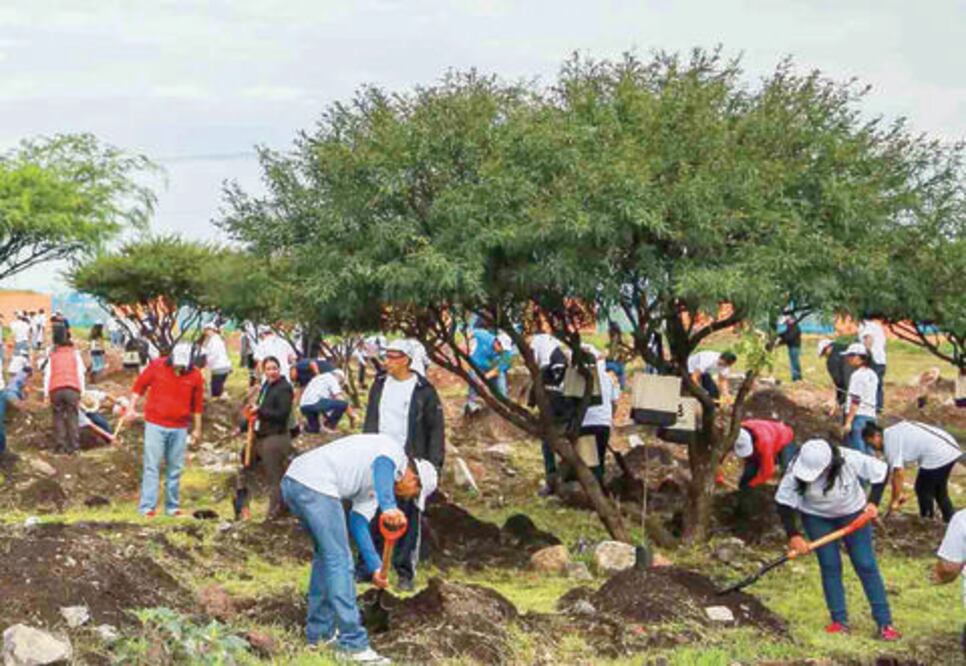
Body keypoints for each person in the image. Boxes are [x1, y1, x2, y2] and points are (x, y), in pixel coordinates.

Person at [281, 433, 437, 664]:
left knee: (326, 558)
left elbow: (358, 524)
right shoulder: (392, 451)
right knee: (340, 561)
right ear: (413, 478)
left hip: (296, 481)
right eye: (413, 494)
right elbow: (382, 466)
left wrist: (375, 567)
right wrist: (389, 507)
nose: (407, 497)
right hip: (314, 482)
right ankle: (352, 643)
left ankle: (319, 635)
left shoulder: (376, 488)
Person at [775, 439, 899, 640]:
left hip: (854, 516)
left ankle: (885, 623)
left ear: (830, 465)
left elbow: (881, 471)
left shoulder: (849, 458)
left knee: (865, 564)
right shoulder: (795, 469)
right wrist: (793, 535)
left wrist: (874, 503)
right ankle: (839, 621)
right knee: (830, 565)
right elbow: (783, 502)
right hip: (816, 518)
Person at [362, 339, 445, 591]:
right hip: (379, 456)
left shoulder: (423, 391)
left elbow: (435, 431)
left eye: (392, 357)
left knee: (407, 515)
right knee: (372, 511)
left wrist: (432, 467)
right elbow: (370, 420)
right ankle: (368, 567)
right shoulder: (378, 385)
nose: (387, 361)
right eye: (386, 356)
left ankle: (404, 571)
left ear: (406, 359)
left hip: (409, 460)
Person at [123, 343, 204, 517]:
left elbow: (197, 405)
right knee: (152, 466)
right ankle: (147, 508)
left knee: (175, 468)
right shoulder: (157, 366)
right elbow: (139, 387)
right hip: (155, 424)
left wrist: (197, 429)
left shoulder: (196, 375)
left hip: (180, 427)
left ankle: (172, 507)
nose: (179, 369)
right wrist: (131, 408)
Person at [863, 421, 961, 523]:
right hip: (949, 446)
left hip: (938, 452)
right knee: (939, 491)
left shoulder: (890, 441)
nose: (873, 448)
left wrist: (895, 501)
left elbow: (898, 473)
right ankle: (950, 519)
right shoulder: (891, 433)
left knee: (923, 489)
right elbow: (893, 473)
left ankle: (927, 521)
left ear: (877, 435)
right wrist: (898, 495)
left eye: (871, 443)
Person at [236, 356, 293, 521]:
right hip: (259, 435)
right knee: (245, 465)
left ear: (279, 369)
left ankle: (275, 513)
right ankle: (242, 507)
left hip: (275, 437)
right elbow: (257, 410)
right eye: (268, 369)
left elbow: (281, 414)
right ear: (264, 371)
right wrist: (243, 425)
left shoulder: (284, 388)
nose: (272, 372)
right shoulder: (266, 386)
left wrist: (260, 411)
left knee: (274, 476)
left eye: (275, 368)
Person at [579, 344, 620, 483]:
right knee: (600, 458)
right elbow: (615, 401)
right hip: (603, 423)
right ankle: (600, 488)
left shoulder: (577, 376)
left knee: (589, 462)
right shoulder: (608, 378)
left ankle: (591, 492)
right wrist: (609, 418)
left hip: (586, 424)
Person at [43, 326, 86, 455]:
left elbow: (48, 375)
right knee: (73, 416)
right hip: (72, 389)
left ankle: (60, 446)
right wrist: (82, 392)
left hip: (56, 389)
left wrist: (46, 394)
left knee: (58, 417)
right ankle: (74, 447)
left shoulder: (53, 356)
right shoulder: (75, 355)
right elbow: (80, 373)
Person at [732, 419, 797, 490]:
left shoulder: (765, 444)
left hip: (784, 437)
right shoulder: (738, 431)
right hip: (766, 434)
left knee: (787, 469)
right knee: (750, 470)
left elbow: (767, 472)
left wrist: (752, 484)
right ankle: (742, 488)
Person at [841, 343, 878, 453]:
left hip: (858, 418)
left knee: (858, 454)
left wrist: (848, 422)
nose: (848, 359)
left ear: (858, 357)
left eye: (850, 356)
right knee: (869, 453)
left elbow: (855, 400)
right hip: (871, 417)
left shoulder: (857, 375)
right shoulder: (872, 374)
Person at [300, 369, 354, 433]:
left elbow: (325, 406)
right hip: (314, 403)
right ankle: (329, 427)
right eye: (340, 382)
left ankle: (303, 427)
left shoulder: (320, 378)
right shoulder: (332, 379)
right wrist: (351, 416)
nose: (339, 384)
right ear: (339, 377)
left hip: (304, 406)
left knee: (314, 429)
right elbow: (340, 398)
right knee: (343, 404)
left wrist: (327, 417)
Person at [464, 328, 504, 414]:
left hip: (492, 369)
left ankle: (502, 404)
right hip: (476, 366)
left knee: (501, 387)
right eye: (501, 348)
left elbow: (497, 370)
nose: (502, 351)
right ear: (497, 342)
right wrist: (467, 345)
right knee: (474, 384)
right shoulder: (484, 336)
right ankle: (471, 406)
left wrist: (483, 379)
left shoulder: (507, 354)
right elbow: (470, 334)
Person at [0, 365, 31, 461]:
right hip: (9, 393)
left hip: (5, 391)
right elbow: (25, 389)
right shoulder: (23, 376)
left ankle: (2, 452)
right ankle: (2, 452)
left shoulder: (17, 375)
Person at [817, 339, 853, 418]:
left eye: (824, 353)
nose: (825, 356)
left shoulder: (832, 360)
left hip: (848, 388)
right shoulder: (847, 348)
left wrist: (839, 400)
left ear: (827, 348)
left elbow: (839, 382)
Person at [858, 319, 887, 414]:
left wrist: (866, 356)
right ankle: (878, 407)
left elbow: (869, 340)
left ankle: (871, 407)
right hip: (881, 360)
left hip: (874, 359)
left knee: (870, 383)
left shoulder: (866, 326)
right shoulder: (876, 326)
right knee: (878, 384)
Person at [200, 324, 232, 399]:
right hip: (221, 366)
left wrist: (206, 362)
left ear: (212, 330)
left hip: (219, 367)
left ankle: (224, 396)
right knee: (217, 387)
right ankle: (222, 394)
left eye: (207, 330)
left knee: (216, 392)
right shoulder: (214, 339)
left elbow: (213, 354)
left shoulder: (215, 340)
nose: (206, 332)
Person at [778, 316, 803, 382]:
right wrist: (778, 335)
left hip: (794, 347)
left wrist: (779, 342)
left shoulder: (795, 328)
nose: (786, 323)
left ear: (790, 320)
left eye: (786, 322)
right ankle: (798, 377)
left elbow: (788, 338)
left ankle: (796, 378)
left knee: (794, 363)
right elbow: (785, 334)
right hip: (793, 347)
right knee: (795, 362)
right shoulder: (791, 327)